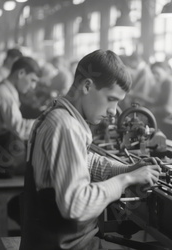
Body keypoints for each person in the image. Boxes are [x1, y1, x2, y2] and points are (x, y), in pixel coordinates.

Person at [19, 50, 162, 250]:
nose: (114, 111)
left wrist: (128, 169)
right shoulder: (65, 126)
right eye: (111, 99)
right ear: (87, 86)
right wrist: (126, 180)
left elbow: (86, 160)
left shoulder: (59, 116)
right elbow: (77, 205)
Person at [0, 56, 40, 177]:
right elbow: (19, 129)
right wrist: (45, 122)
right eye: (32, 80)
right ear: (21, 73)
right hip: (4, 159)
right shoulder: (4, 95)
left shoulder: (6, 91)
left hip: (3, 154)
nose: (33, 86)